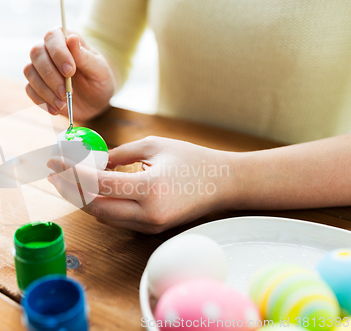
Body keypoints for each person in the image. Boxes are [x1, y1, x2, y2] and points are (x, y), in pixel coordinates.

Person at [24, 0, 351, 234]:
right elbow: (108, 37)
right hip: (162, 181)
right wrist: (91, 75)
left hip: (317, 218)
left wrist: (224, 178)